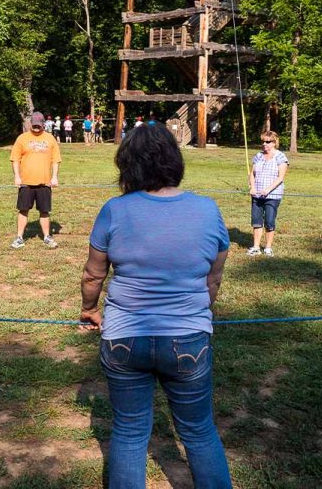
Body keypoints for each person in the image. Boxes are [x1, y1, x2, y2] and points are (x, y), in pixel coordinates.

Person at [80, 124, 232, 489]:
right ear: (174, 161)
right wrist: (200, 313)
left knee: (129, 433)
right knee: (198, 431)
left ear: (127, 165)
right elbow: (214, 279)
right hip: (188, 338)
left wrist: (88, 309)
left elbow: (93, 275)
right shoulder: (207, 210)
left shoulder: (114, 210)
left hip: (123, 339)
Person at [10, 112, 61, 249]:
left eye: (39, 125)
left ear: (43, 124)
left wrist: (54, 176)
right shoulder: (22, 138)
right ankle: (19, 237)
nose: (36, 127)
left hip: (45, 183)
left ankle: (46, 237)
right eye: (34, 125)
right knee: (23, 210)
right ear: (30, 124)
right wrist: (17, 176)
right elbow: (15, 159)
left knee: (44, 211)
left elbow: (55, 160)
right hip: (26, 182)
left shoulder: (50, 139)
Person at [247, 130, 289, 257]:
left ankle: (268, 248)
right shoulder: (258, 156)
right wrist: (252, 187)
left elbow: (280, 177)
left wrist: (268, 189)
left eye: (268, 141)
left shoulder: (280, 157)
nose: (264, 144)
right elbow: (252, 175)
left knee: (269, 221)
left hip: (273, 195)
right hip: (257, 195)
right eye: (263, 141)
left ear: (274, 143)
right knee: (256, 221)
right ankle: (255, 247)